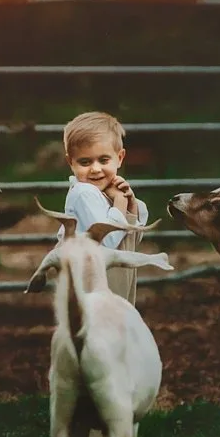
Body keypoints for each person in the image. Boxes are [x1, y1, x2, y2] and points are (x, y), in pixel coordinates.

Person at [59, 111, 151, 305]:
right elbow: (109, 240)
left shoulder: (105, 193)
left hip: (116, 288)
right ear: (70, 162)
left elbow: (131, 240)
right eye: (85, 162)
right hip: (93, 296)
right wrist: (120, 202)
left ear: (120, 157)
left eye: (103, 160)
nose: (95, 169)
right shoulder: (83, 193)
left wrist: (131, 204)